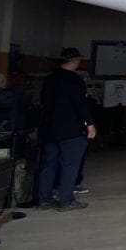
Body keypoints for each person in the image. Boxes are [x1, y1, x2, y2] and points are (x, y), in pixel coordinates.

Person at [36, 47, 96, 211]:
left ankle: (44, 200)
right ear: (75, 60)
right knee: (70, 165)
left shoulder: (50, 80)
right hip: (71, 129)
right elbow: (81, 105)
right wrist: (89, 124)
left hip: (49, 129)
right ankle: (66, 200)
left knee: (48, 165)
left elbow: (43, 101)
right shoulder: (75, 81)